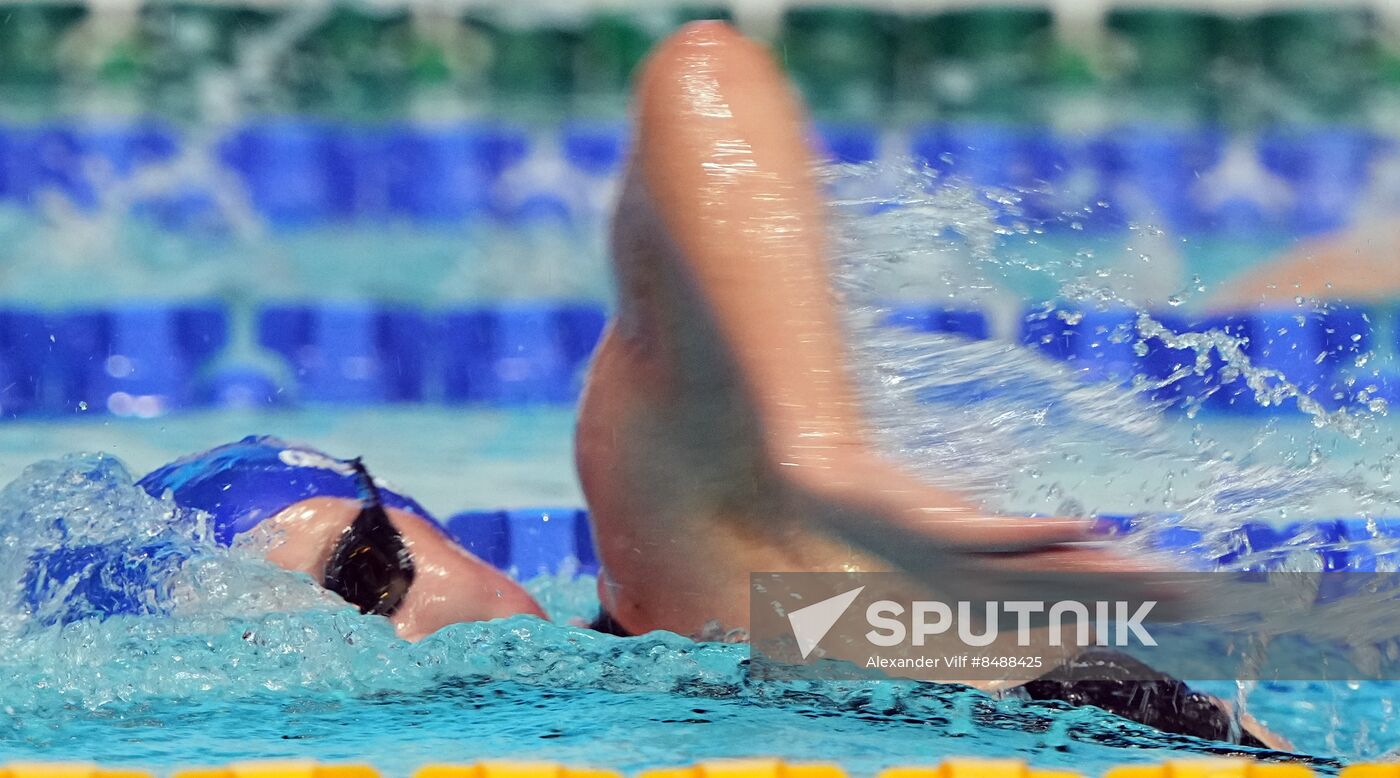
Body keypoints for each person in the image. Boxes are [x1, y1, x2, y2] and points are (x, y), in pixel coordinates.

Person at [127, 22, 1282, 749]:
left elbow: (703, 72)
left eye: (368, 571)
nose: (406, 630)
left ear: (426, 526)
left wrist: (818, 460)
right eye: (328, 639)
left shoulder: (693, 588)